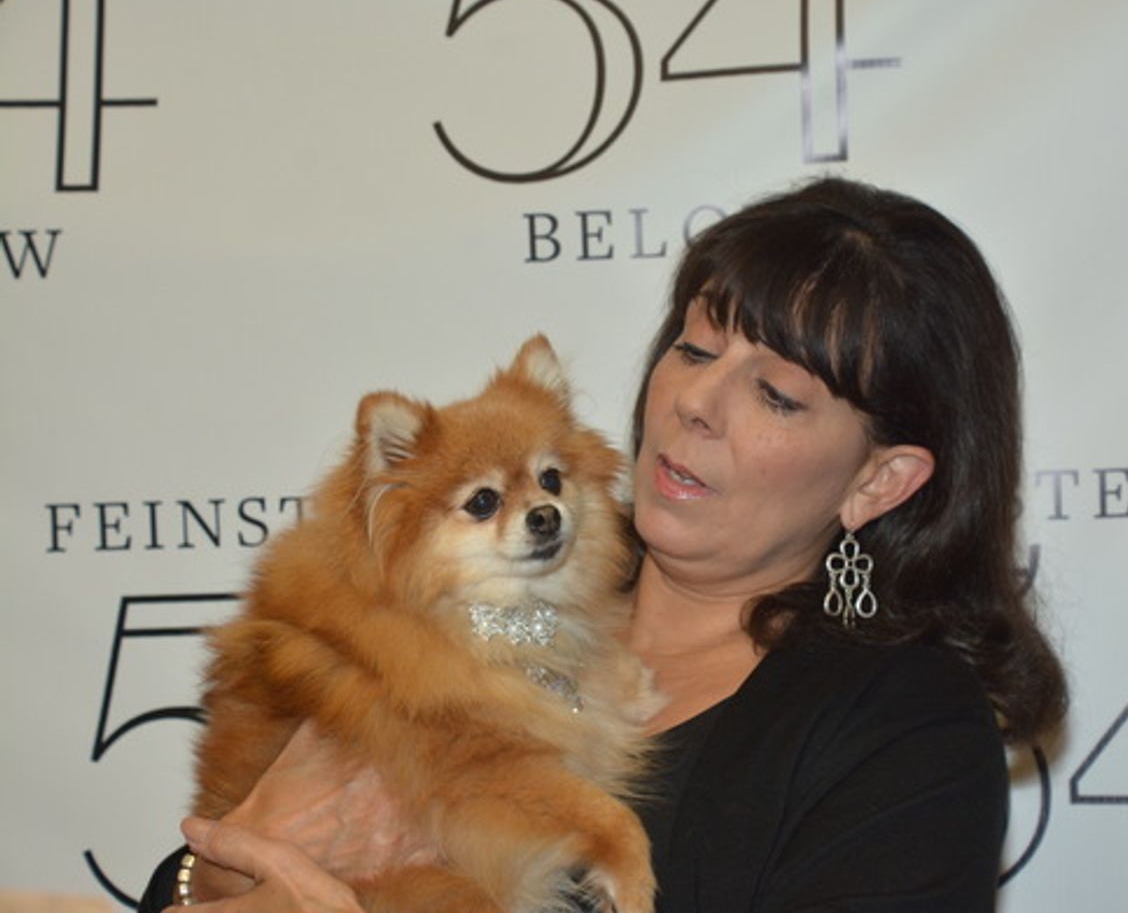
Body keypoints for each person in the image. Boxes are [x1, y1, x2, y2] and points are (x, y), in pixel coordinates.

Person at [140, 176, 1066, 912]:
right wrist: (214, 872)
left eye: (776, 395)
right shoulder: (439, 603)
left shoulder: (904, 730)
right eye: (696, 351)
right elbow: (219, 846)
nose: (695, 405)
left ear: (880, 479)